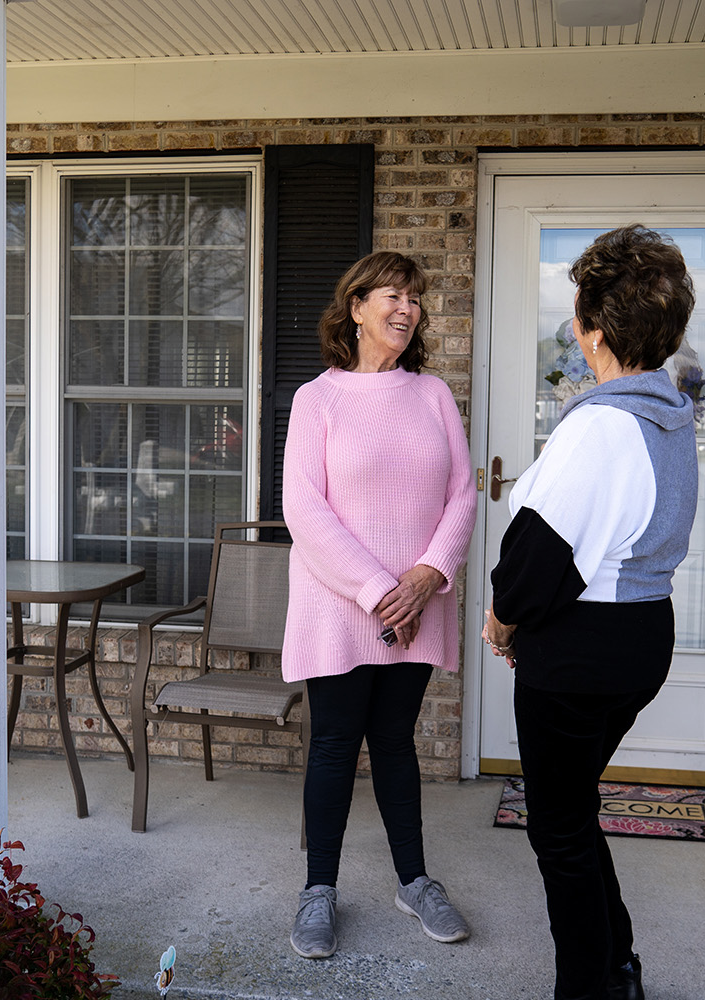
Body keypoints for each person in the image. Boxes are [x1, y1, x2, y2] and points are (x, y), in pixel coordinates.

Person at [483, 225, 698, 1000]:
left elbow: (537, 564)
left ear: (592, 331)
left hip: (583, 651)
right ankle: (618, 965)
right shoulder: (669, 415)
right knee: (572, 811)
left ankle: (591, 986)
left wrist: (506, 619)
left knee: (559, 826)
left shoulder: (602, 423)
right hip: (640, 637)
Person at [281, 250, 478, 960]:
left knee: (395, 744)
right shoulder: (318, 399)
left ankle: (414, 881)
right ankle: (318, 893)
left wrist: (427, 577)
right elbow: (304, 508)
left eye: (415, 298)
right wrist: (379, 594)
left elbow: (463, 493)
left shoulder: (431, 396)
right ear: (356, 306)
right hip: (341, 607)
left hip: (419, 604)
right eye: (393, 294)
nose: (407, 308)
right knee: (335, 745)